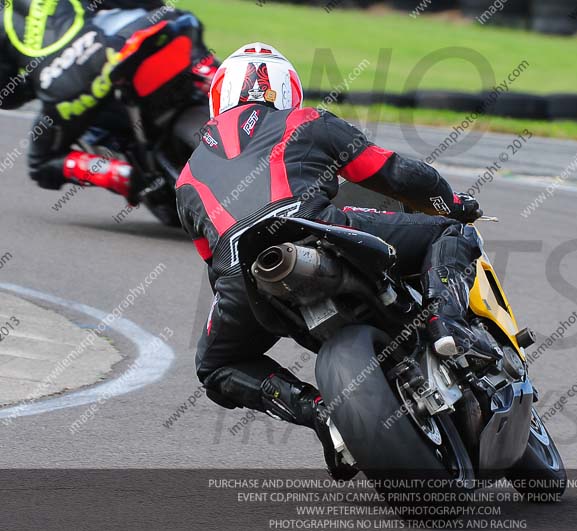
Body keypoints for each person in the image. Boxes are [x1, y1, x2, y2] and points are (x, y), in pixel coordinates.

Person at [176, 43, 484, 479]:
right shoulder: (307, 119)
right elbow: (395, 174)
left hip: (243, 270)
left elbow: (212, 264)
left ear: (218, 98)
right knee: (451, 234)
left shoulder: (186, 178)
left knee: (215, 366)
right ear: (288, 92)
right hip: (318, 227)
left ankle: (320, 413)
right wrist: (449, 203)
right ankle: (446, 327)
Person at [0, 1, 206, 203]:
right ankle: (217, 83)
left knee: (40, 164)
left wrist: (39, 86)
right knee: (176, 18)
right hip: (111, 53)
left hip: (64, 91)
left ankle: (116, 173)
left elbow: (6, 93)